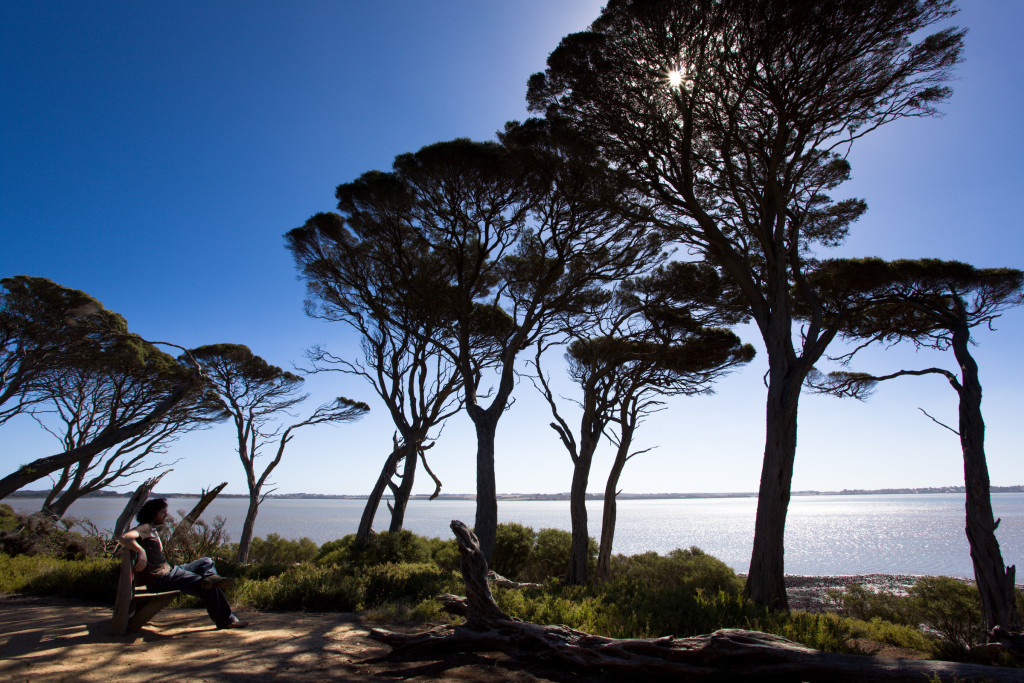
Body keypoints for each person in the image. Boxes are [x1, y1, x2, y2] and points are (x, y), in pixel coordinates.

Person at [118, 497, 248, 629]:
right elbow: (124, 537)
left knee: (206, 561)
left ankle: (209, 577)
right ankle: (226, 620)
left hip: (169, 572)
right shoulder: (145, 527)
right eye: (163, 512)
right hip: (162, 579)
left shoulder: (151, 528)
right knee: (210, 586)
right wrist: (140, 550)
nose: (166, 515)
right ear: (153, 513)